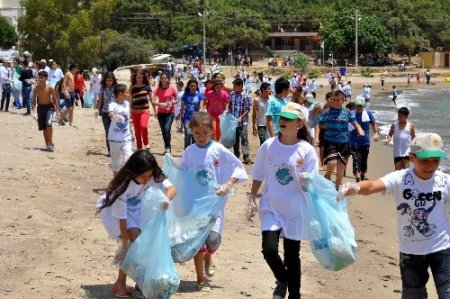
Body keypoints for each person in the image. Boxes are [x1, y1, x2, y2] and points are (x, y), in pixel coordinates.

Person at [339, 132, 450, 299]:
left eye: (435, 160)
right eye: (424, 160)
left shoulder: (445, 181)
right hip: (410, 252)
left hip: (442, 248)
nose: (430, 166)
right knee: (413, 294)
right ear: (412, 157)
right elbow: (373, 185)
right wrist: (355, 188)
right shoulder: (401, 178)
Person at [247, 102, 319, 299]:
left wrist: (307, 180)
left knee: (292, 255)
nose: (283, 121)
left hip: (295, 210)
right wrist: (252, 198)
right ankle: (282, 279)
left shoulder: (306, 150)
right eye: (281, 118)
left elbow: (312, 182)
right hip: (271, 206)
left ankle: (294, 295)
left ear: (299, 124)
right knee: (269, 250)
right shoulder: (269, 146)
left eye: (288, 119)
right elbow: (258, 174)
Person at [180, 112, 247, 291]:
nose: (201, 137)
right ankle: (200, 280)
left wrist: (228, 184)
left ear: (212, 131)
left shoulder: (218, 149)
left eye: (205, 133)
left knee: (213, 240)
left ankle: (210, 257)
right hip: (195, 205)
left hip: (215, 204)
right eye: (196, 134)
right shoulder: (189, 151)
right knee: (198, 243)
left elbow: (238, 169)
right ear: (191, 133)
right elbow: (181, 174)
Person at [97, 149, 176, 298]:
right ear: (133, 172)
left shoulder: (152, 175)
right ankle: (120, 283)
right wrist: (125, 245)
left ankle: (140, 284)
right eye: (143, 176)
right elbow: (122, 218)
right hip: (119, 215)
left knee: (143, 246)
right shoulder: (122, 187)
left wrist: (166, 200)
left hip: (140, 211)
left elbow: (172, 189)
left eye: (149, 175)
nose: (147, 179)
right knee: (135, 246)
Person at [319, 90, 364, 189]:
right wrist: (324, 126)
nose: (335, 102)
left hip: (344, 142)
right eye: (333, 100)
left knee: (341, 168)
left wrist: (359, 128)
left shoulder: (347, 112)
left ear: (343, 100)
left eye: (338, 100)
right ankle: (328, 175)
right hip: (330, 141)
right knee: (332, 162)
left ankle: (336, 189)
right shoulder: (327, 112)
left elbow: (354, 122)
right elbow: (320, 122)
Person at [349, 99, 379, 182]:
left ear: (363, 106)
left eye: (360, 105)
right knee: (356, 159)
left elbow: (374, 123)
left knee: (364, 159)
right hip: (353, 141)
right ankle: (357, 175)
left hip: (365, 141)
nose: (359, 107)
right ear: (354, 105)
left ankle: (362, 175)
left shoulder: (368, 113)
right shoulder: (351, 114)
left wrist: (376, 133)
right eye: (357, 105)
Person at [108, 84, 133, 176]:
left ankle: (126, 179)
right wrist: (115, 116)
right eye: (126, 92)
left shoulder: (127, 104)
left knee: (129, 158)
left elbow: (131, 99)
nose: (128, 94)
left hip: (126, 138)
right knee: (115, 163)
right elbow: (110, 113)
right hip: (114, 139)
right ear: (120, 95)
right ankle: (116, 181)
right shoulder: (112, 104)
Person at [31, 71, 59, 151]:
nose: (40, 79)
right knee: (44, 127)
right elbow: (34, 99)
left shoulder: (49, 88)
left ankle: (50, 142)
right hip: (40, 108)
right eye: (39, 78)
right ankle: (47, 144)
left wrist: (57, 110)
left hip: (49, 107)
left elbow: (54, 98)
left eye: (42, 78)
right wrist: (33, 107)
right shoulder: (36, 89)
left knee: (49, 124)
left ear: (46, 78)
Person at [152, 73, 179, 154]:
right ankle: (167, 146)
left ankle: (168, 147)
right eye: (162, 78)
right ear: (160, 80)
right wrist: (160, 104)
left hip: (170, 113)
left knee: (167, 129)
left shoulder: (172, 89)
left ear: (168, 79)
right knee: (164, 131)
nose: (164, 80)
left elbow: (177, 100)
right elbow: (153, 101)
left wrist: (171, 103)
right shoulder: (158, 89)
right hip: (161, 113)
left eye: (165, 78)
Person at [229, 78, 252, 164]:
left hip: (243, 122)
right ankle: (236, 156)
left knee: (244, 138)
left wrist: (241, 117)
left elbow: (247, 109)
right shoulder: (232, 94)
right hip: (234, 121)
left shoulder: (246, 96)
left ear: (240, 86)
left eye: (235, 86)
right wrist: (229, 110)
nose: (234, 87)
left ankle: (246, 157)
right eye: (233, 86)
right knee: (235, 139)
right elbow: (230, 103)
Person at [129, 69, 152, 150]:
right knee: (137, 130)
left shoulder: (147, 87)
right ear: (135, 78)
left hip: (144, 111)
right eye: (138, 77)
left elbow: (151, 100)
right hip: (134, 112)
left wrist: (154, 110)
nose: (139, 79)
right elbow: (131, 99)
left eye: (141, 77)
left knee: (144, 126)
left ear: (143, 78)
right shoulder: (132, 88)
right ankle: (139, 147)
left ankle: (146, 143)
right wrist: (130, 111)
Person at [96, 72, 118, 157]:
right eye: (107, 80)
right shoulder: (103, 88)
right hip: (105, 113)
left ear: (113, 80)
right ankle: (110, 150)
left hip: (115, 113)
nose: (109, 82)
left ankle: (116, 149)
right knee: (108, 131)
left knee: (115, 132)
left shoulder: (116, 88)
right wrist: (97, 110)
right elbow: (100, 100)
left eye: (111, 80)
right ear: (105, 80)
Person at [180, 79, 204, 149]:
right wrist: (181, 118)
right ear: (188, 86)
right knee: (188, 135)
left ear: (197, 86)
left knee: (195, 136)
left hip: (196, 119)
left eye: (194, 86)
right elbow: (182, 108)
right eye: (191, 86)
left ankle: (194, 151)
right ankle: (186, 151)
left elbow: (201, 108)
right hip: (187, 118)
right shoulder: (185, 95)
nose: (193, 87)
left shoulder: (200, 95)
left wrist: (200, 118)